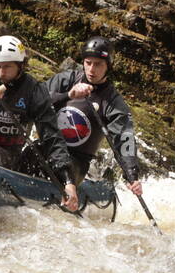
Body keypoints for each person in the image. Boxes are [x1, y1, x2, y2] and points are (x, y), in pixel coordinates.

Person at [0, 35, 82, 208]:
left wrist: (68, 181)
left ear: (21, 66)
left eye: (7, 67)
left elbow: (51, 136)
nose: (1, 73)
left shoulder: (34, 91)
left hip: (5, 154)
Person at [27, 36, 143, 211]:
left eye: (98, 64)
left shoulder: (113, 102)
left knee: (60, 168)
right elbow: (35, 101)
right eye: (88, 63)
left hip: (77, 162)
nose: (92, 69)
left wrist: (132, 174)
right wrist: (68, 95)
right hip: (48, 147)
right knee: (27, 158)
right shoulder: (66, 80)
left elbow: (124, 139)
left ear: (108, 67)